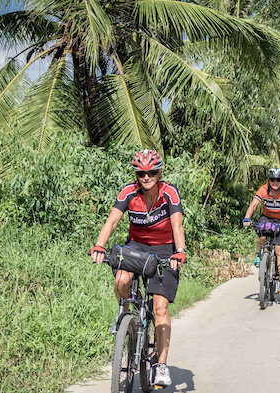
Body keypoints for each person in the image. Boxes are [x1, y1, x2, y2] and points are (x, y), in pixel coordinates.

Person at [90, 149, 186, 387]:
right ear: (137, 175)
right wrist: (99, 246)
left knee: (161, 308)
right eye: (142, 173)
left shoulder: (169, 193)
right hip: (136, 247)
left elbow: (177, 226)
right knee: (122, 280)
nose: (146, 177)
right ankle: (127, 317)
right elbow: (112, 221)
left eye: (151, 172)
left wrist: (180, 251)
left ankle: (161, 366)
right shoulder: (128, 192)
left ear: (159, 173)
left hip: (165, 249)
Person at [242, 168, 280, 295]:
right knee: (261, 235)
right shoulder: (263, 189)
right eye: (272, 179)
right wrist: (247, 218)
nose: (275, 182)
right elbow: (253, 205)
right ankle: (259, 255)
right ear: (269, 180)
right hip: (267, 218)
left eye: (278, 180)